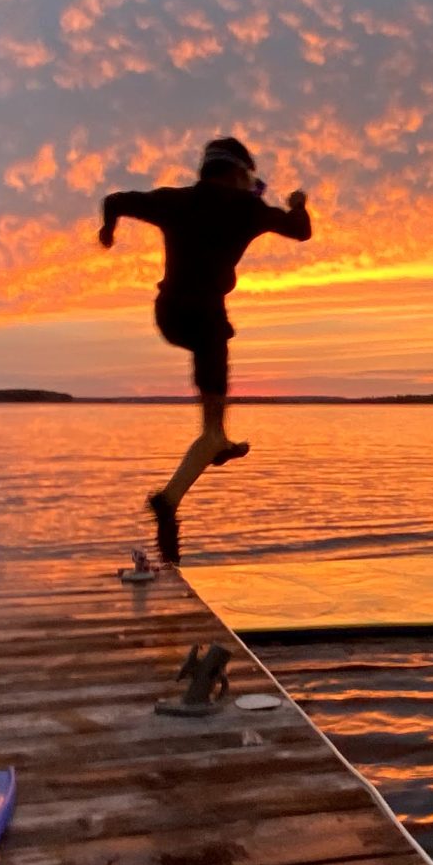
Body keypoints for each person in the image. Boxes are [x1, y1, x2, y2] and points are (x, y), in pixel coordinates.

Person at [99, 135, 311, 563]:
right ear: (236, 172)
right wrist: (298, 202)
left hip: (170, 315)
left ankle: (185, 482)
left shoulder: (174, 201)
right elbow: (301, 232)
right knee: (211, 421)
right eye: (249, 177)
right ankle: (208, 449)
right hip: (207, 319)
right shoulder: (247, 208)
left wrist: (108, 230)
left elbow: (115, 199)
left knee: (214, 426)